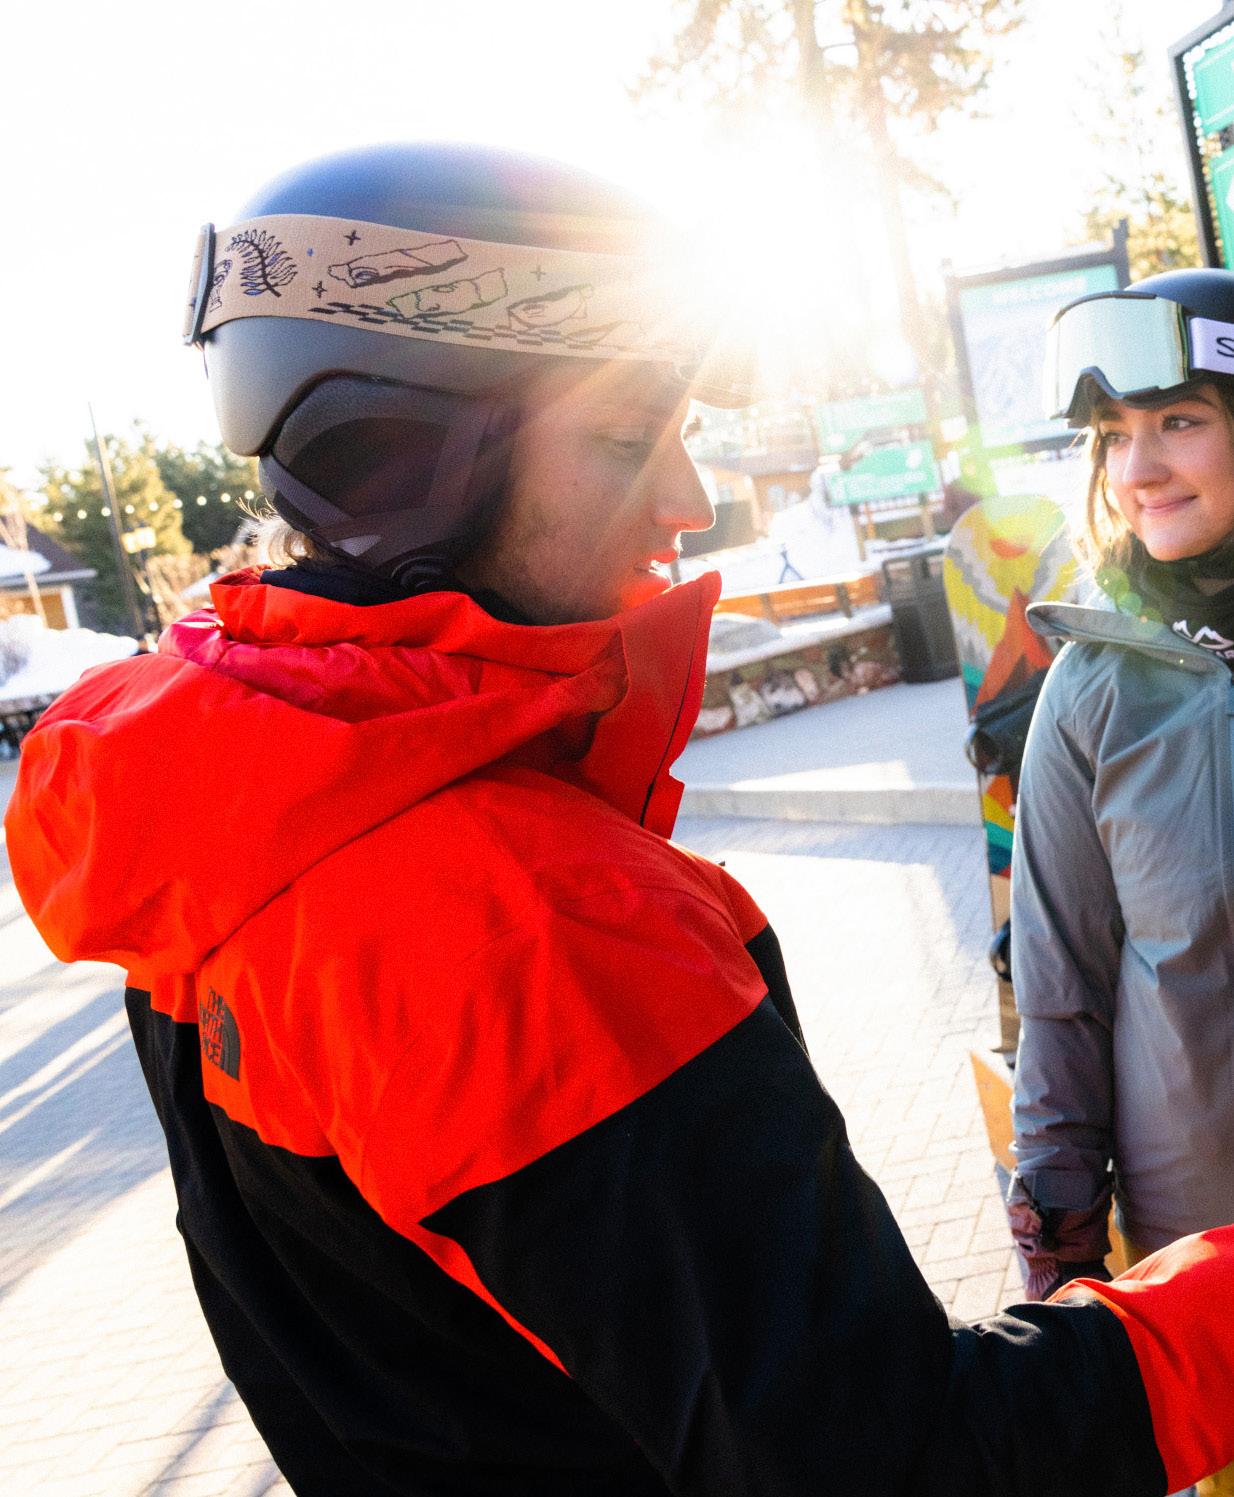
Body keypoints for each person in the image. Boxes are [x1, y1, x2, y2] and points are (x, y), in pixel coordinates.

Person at [8, 145, 1234, 1497]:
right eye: (622, 434)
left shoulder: (209, 826)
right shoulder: (539, 922)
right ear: (410, 455)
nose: (690, 500)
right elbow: (899, 1460)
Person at [1011, 267, 1234, 1495]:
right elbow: (1061, 997)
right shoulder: (1091, 692)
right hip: (1207, 1276)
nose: (1137, 467)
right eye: (1110, 434)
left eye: (1178, 420)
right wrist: (1058, 1256)